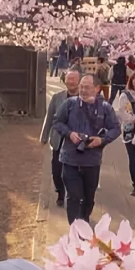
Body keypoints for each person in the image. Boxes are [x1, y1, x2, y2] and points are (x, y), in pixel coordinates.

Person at [53, 72, 121, 225]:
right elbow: (57, 122)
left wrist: (101, 140)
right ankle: (74, 229)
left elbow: (116, 129)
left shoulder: (105, 108)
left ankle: (84, 221)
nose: (83, 90)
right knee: (73, 196)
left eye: (87, 87)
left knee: (89, 198)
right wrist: (69, 134)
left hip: (92, 161)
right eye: (81, 87)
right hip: (70, 158)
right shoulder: (70, 104)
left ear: (97, 88)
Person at [39, 69, 80, 208]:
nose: (71, 82)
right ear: (65, 81)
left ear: (79, 81)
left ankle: (72, 195)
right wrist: (44, 137)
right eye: (69, 79)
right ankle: (60, 192)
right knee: (56, 171)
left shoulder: (84, 98)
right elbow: (49, 117)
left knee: (74, 171)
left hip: (77, 142)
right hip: (59, 140)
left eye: (74, 79)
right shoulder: (57, 97)